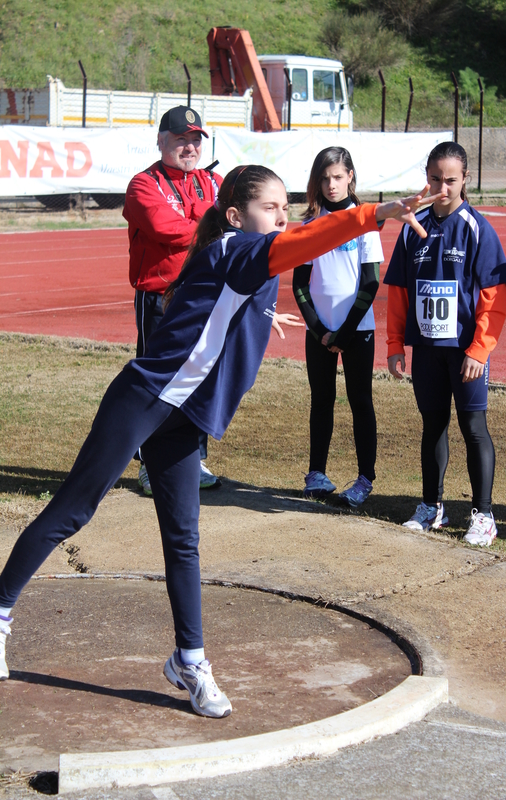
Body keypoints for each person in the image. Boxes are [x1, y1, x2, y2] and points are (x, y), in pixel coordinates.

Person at [0, 165, 442, 717]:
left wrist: (260, 311)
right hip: (143, 401)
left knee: (183, 539)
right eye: (271, 207)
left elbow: (197, 302)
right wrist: (373, 214)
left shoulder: (240, 262)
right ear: (235, 217)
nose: (283, 216)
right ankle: (0, 611)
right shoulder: (237, 248)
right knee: (73, 509)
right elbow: (302, 241)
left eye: (286, 206)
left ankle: (189, 659)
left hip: (183, 416)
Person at [384, 141, 506, 546]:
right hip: (426, 350)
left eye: (451, 180)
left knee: (474, 427)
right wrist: (394, 344)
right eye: (436, 178)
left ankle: (483, 515)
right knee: (432, 426)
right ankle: (431, 506)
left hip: (465, 352)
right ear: (427, 176)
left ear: (465, 180)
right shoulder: (414, 229)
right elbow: (400, 292)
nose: (443, 186)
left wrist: (479, 350)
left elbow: (494, 301)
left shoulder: (477, 228)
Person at [123, 105, 222, 494]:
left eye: (195, 139)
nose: (189, 146)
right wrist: (207, 220)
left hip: (205, 295)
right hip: (159, 298)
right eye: (181, 138)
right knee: (157, 382)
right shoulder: (143, 184)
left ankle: (192, 460)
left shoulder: (213, 181)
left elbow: (229, 220)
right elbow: (164, 229)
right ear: (162, 140)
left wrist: (202, 219)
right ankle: (151, 462)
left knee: (199, 378)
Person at [293, 147, 384, 507]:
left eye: (337, 177)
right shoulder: (308, 227)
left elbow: (371, 283)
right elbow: (300, 285)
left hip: (357, 332)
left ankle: (364, 480)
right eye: (324, 178)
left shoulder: (364, 221)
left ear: (350, 178)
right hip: (320, 333)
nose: (331, 185)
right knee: (322, 400)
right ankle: (316, 473)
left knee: (361, 401)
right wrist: (320, 330)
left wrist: (343, 333)